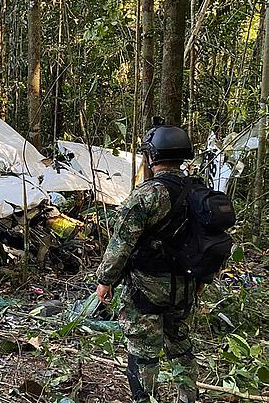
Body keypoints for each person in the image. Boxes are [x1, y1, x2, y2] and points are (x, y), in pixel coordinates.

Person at [95, 125, 209, 403]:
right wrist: (203, 280)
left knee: (143, 352)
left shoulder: (147, 195)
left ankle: (145, 399)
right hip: (186, 285)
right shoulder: (199, 191)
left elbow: (121, 243)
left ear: (152, 156)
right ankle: (188, 398)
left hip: (146, 289)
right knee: (181, 346)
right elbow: (210, 240)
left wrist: (105, 280)